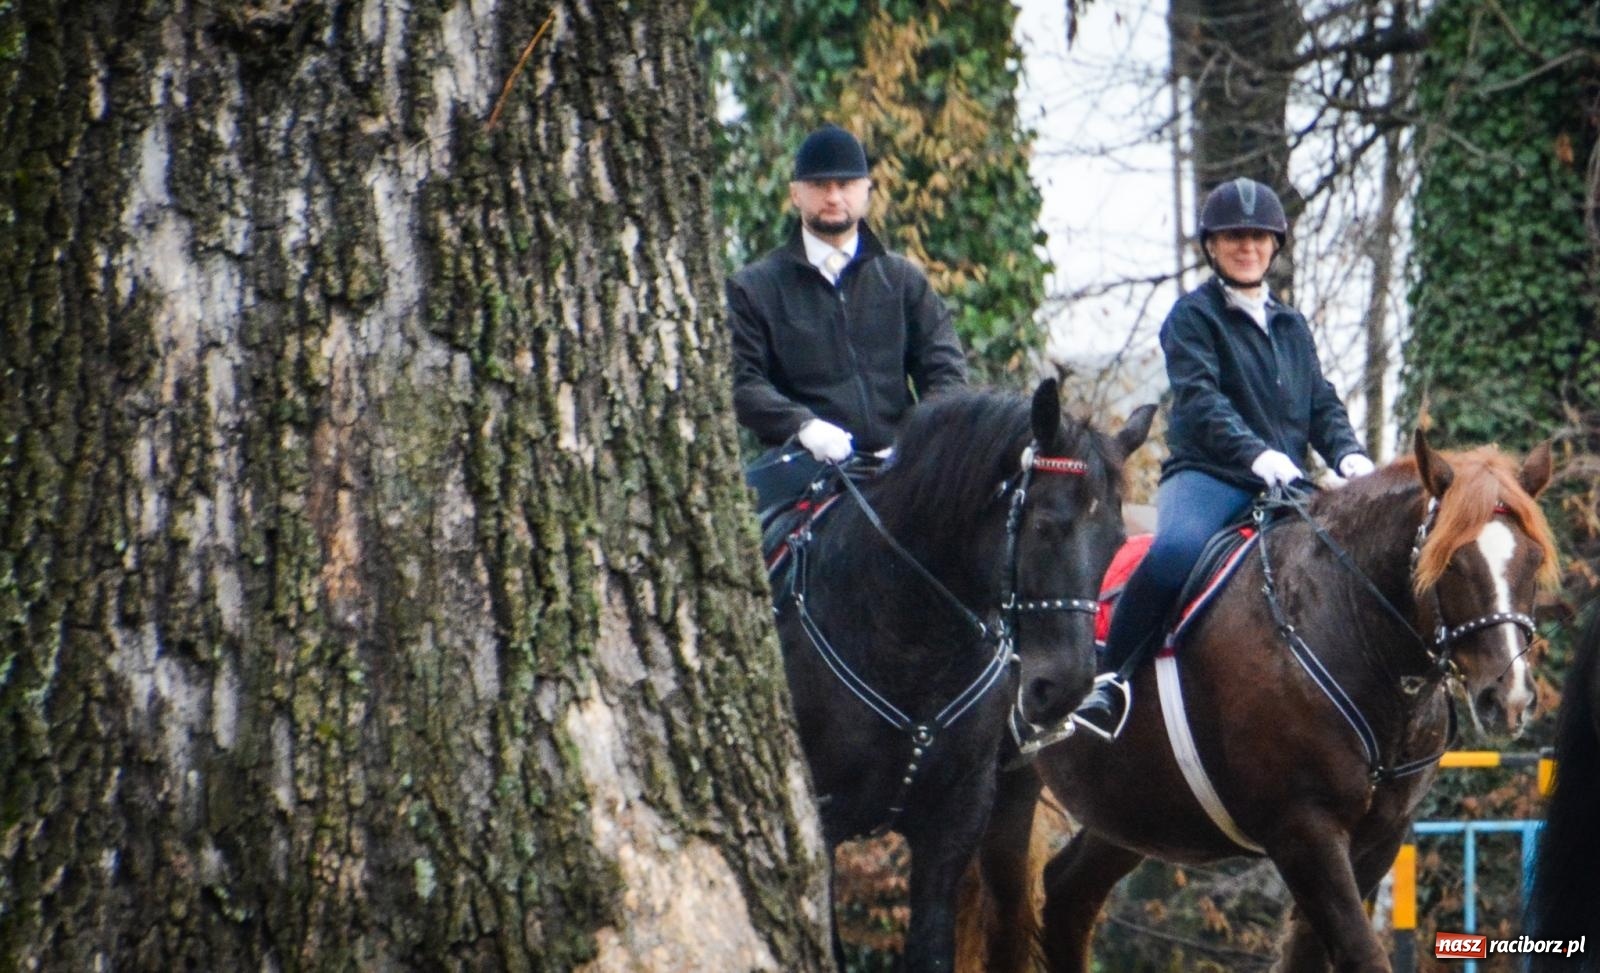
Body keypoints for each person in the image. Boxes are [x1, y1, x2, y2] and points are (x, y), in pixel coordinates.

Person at [1071, 176, 1376, 741]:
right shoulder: (1192, 318)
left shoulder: (1292, 325)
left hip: (1286, 484)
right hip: (1211, 477)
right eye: (1235, 236)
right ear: (1213, 245)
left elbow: (1321, 403)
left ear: (1274, 246)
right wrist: (1259, 455)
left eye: (1259, 237)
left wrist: (1351, 455)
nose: (1248, 247)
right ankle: (1110, 680)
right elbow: (1202, 400)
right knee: (1174, 553)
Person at [726, 123, 968, 512]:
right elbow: (742, 382)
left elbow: (945, 372)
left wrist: (917, 440)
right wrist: (804, 427)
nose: (834, 196)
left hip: (902, 465)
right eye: (820, 185)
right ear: (795, 194)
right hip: (803, 467)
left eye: (846, 184)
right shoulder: (753, 289)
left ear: (867, 191)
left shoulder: (903, 280)